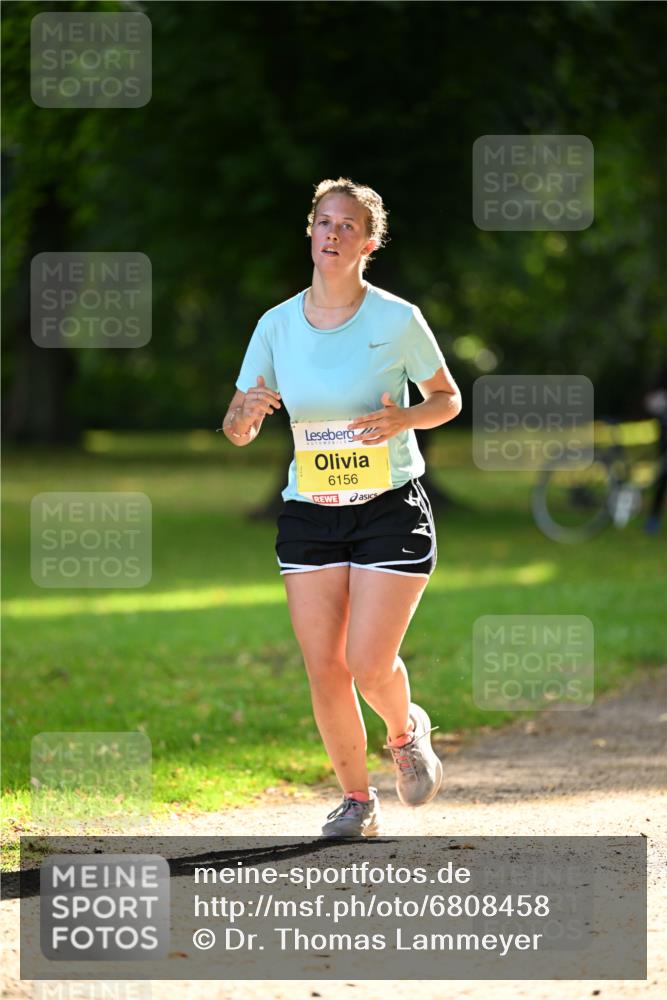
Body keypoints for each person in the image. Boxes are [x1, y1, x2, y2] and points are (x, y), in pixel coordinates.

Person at [221, 177, 462, 837]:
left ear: (368, 242)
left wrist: (401, 420)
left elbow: (447, 399)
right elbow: (238, 425)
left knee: (365, 662)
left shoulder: (396, 319)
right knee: (324, 664)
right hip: (311, 512)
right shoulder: (275, 325)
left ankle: (405, 730)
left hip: (388, 506)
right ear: (310, 231)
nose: (332, 234)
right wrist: (244, 414)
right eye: (323, 222)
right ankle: (357, 802)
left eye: (347, 226)